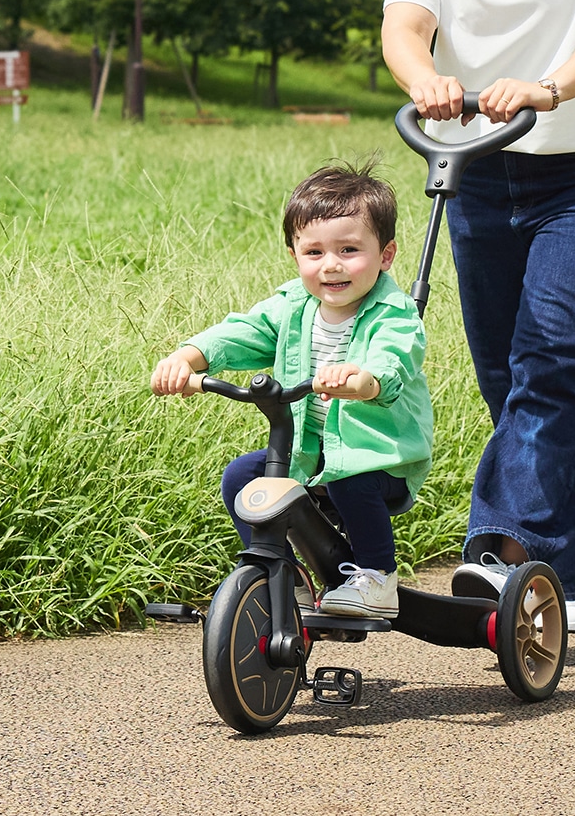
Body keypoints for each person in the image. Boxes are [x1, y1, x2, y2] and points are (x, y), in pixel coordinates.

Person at [381, 0, 575, 630]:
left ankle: (501, 554)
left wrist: (547, 89)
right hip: (477, 166)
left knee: (553, 364)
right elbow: (406, 24)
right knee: (509, 382)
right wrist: (426, 81)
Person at [150, 161, 433, 619]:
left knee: (352, 478)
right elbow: (243, 332)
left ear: (386, 255)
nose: (332, 265)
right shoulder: (293, 306)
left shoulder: (395, 313)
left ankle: (378, 578)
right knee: (243, 477)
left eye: (349, 249)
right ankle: (285, 575)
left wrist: (363, 381)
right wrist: (189, 358)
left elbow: (392, 359)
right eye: (314, 252)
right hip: (307, 451)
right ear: (294, 255)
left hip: (380, 455)